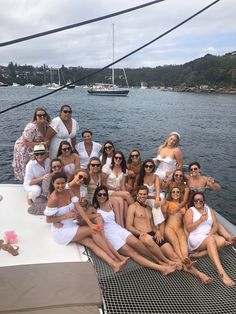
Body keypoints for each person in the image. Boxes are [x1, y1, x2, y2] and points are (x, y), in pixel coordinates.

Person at [44, 172, 127, 273]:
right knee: (95, 231)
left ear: (66, 182)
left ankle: (114, 265)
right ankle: (115, 257)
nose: (60, 186)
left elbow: (79, 208)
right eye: (58, 183)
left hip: (72, 225)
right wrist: (66, 216)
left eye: (62, 183)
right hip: (62, 231)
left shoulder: (68, 191)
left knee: (91, 242)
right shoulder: (53, 199)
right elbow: (48, 220)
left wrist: (90, 223)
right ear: (53, 183)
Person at [89, 185, 176, 275]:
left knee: (138, 244)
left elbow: (120, 202)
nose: (102, 196)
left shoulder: (110, 203)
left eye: (104, 194)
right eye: (99, 195)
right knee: (133, 253)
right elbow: (83, 219)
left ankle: (160, 261)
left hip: (119, 229)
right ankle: (161, 268)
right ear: (96, 196)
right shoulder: (93, 208)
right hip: (110, 235)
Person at [184, 192, 235, 287]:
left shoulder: (209, 209)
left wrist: (211, 232)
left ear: (203, 201)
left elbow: (215, 225)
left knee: (222, 241)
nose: (198, 202)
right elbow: (188, 228)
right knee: (211, 241)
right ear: (193, 201)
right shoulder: (190, 211)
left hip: (208, 235)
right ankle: (222, 273)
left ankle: (198, 255)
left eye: (200, 200)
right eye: (196, 200)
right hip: (196, 237)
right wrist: (200, 220)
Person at [126, 185, 182, 266]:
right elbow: (128, 226)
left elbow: (152, 225)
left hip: (153, 234)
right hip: (142, 235)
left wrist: (158, 231)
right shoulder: (132, 207)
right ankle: (165, 261)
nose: (142, 196)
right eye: (140, 194)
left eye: (144, 194)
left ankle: (189, 268)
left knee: (174, 256)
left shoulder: (149, 208)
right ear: (137, 194)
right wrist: (140, 233)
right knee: (147, 238)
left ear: (147, 195)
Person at [187, 162, 235, 243]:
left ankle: (228, 237)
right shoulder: (187, 179)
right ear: (189, 171)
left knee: (213, 220)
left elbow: (218, 189)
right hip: (190, 204)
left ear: (199, 169)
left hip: (200, 203)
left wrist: (211, 183)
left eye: (195, 168)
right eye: (191, 169)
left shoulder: (205, 179)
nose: (193, 170)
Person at [12, 107, 50, 181]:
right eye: (39, 115)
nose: (42, 117)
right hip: (24, 148)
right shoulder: (31, 127)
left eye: (44, 115)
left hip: (35, 148)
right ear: (35, 117)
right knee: (27, 167)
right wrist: (40, 144)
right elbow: (24, 142)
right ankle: (28, 183)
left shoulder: (46, 125)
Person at [162, 186, 194, 267]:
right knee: (176, 243)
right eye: (173, 192)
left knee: (183, 241)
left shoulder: (184, 205)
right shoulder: (168, 203)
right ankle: (183, 260)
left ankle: (186, 258)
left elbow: (185, 220)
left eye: (177, 192)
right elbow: (164, 212)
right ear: (171, 194)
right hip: (169, 227)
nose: (175, 193)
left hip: (179, 228)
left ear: (180, 194)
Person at [101, 151, 134, 224]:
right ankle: (136, 209)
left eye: (120, 158)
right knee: (127, 195)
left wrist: (124, 193)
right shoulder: (107, 168)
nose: (118, 159)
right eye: (116, 157)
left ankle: (125, 223)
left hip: (118, 192)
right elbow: (103, 183)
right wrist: (115, 189)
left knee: (124, 202)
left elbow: (122, 185)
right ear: (113, 158)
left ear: (122, 159)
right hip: (108, 190)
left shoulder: (124, 170)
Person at [136, 159, 165, 236]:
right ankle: (158, 229)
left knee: (157, 204)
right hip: (143, 196)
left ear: (153, 167)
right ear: (144, 167)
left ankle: (158, 230)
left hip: (153, 195)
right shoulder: (140, 177)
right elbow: (138, 192)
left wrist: (157, 199)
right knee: (156, 207)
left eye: (150, 166)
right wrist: (153, 197)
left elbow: (158, 189)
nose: (148, 168)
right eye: (146, 166)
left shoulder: (156, 177)